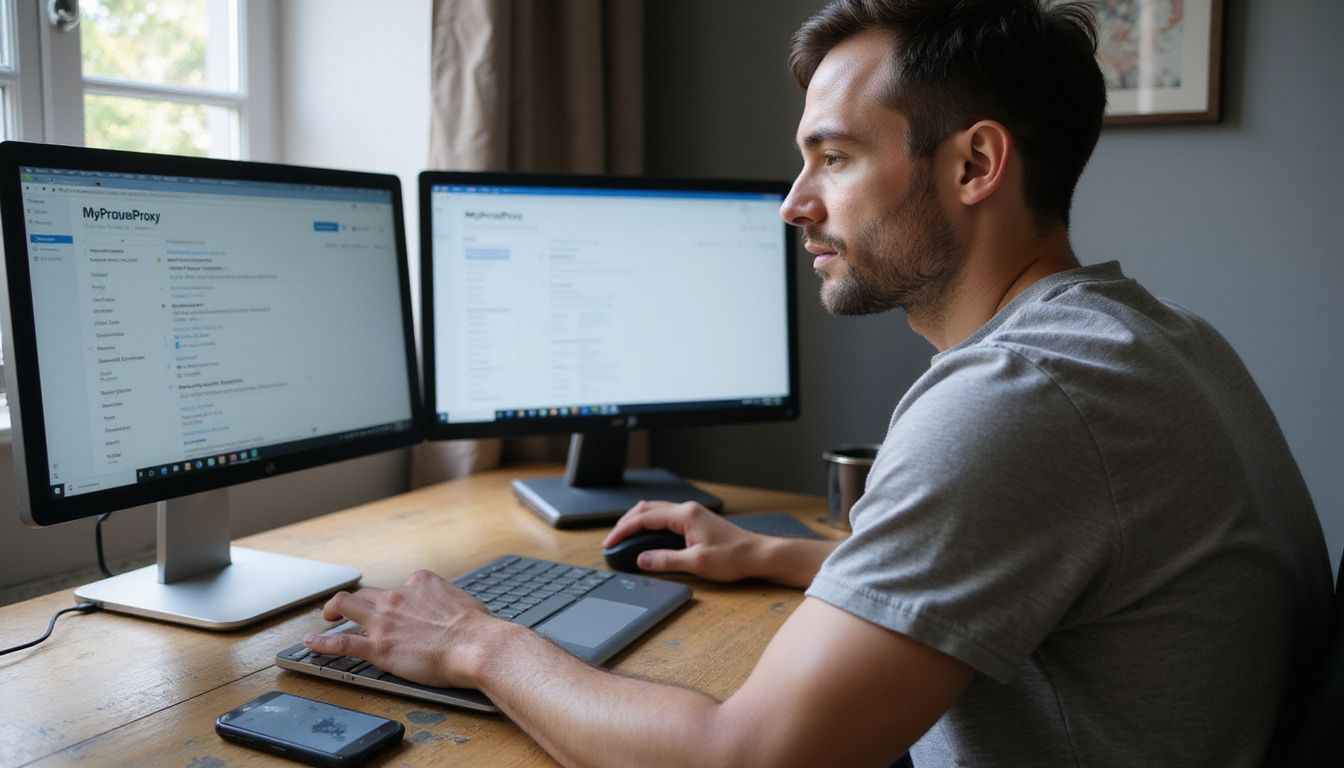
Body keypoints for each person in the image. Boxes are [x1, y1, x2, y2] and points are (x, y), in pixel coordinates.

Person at [305, 1, 1333, 765]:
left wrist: (482, 643)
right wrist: (788, 557)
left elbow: (744, 759)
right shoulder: (1152, 336)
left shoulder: (1019, 399)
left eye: (831, 157)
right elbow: (1069, 581)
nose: (794, 204)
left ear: (974, 165)